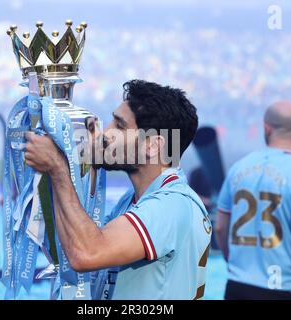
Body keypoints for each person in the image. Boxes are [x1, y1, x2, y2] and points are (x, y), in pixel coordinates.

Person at [24, 79, 212, 299]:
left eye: (119, 126)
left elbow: (86, 254)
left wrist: (57, 168)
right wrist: (77, 163)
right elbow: (82, 239)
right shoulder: (135, 200)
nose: (106, 133)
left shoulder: (170, 205)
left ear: (152, 145)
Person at [215, 100, 291, 300]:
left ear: (266, 128)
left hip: (238, 285)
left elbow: (220, 227)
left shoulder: (237, 169)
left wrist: (234, 263)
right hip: (283, 287)